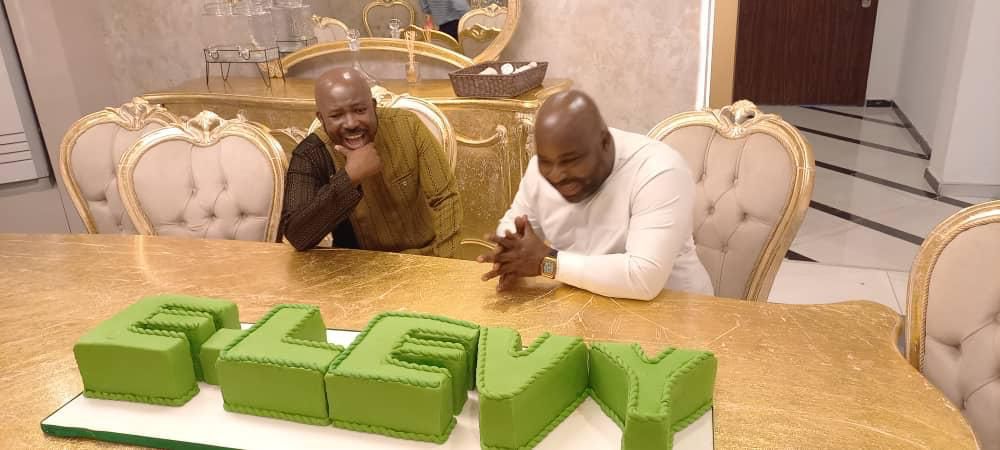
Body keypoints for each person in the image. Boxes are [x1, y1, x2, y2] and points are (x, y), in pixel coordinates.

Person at [476, 90, 713, 300]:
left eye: (571, 161)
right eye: (546, 161)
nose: (556, 175)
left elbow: (643, 278)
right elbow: (516, 228)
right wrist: (510, 255)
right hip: (583, 308)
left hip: (677, 313)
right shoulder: (541, 169)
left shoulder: (660, 170)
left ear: (605, 143)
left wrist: (546, 262)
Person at [278, 68, 461, 257]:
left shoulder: (408, 126)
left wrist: (445, 263)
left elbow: (445, 198)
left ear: (373, 106)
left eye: (359, 110)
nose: (351, 123)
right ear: (321, 118)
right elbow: (297, 236)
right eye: (336, 116)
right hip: (357, 264)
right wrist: (349, 178)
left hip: (425, 258)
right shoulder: (311, 154)